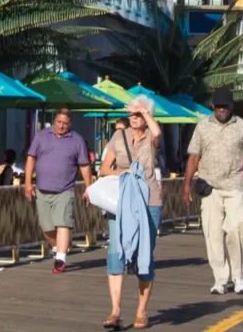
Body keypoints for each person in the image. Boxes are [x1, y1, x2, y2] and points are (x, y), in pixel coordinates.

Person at [183, 89, 243, 295]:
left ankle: (239, 277)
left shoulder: (242, 126)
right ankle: (220, 279)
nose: (221, 110)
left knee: (237, 230)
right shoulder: (203, 126)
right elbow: (193, 157)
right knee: (212, 233)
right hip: (209, 187)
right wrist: (187, 184)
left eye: (225, 107)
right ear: (213, 107)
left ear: (231, 107)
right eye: (218, 107)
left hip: (234, 186)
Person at [97, 97, 162, 330]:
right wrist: (125, 175)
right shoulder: (119, 136)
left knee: (144, 253)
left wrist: (144, 111)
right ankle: (115, 311)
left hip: (149, 201)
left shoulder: (152, 138)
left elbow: (156, 130)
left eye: (139, 114)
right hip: (122, 201)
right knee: (116, 252)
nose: (134, 117)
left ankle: (141, 311)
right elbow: (105, 168)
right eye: (132, 113)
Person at [25, 108, 92, 274]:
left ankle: (61, 258)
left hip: (65, 189)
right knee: (46, 227)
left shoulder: (77, 140)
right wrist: (27, 183)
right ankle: (57, 247)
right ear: (54, 121)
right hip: (42, 188)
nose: (61, 126)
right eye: (59, 122)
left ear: (70, 124)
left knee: (63, 223)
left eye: (65, 124)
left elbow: (84, 165)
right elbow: (31, 158)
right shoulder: (41, 136)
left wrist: (88, 187)